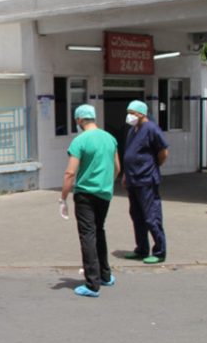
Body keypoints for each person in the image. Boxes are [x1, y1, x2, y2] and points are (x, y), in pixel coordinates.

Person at [59, 105, 120, 298]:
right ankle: (105, 275)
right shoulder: (110, 138)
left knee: (87, 235)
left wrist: (63, 197)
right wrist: (106, 183)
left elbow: (70, 173)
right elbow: (117, 168)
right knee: (99, 231)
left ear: (79, 120)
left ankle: (92, 284)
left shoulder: (80, 141)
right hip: (104, 193)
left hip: (85, 194)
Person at [122, 100, 169, 265]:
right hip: (133, 179)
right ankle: (141, 248)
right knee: (137, 216)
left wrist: (152, 166)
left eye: (132, 113)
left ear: (141, 113)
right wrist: (126, 175)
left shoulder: (151, 129)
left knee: (151, 216)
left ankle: (160, 251)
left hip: (146, 179)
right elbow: (130, 153)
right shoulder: (132, 130)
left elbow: (163, 152)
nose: (129, 116)